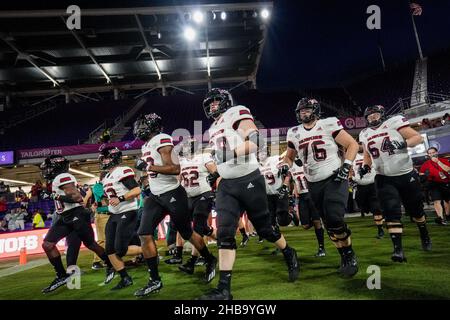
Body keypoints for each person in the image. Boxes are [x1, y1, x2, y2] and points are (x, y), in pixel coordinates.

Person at [199, 88, 299, 300]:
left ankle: (288, 251)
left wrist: (229, 154)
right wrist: (215, 170)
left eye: (216, 101)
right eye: (210, 103)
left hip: (249, 179)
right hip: (227, 184)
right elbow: (215, 154)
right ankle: (224, 289)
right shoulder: (213, 127)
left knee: (265, 230)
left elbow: (256, 142)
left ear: (226, 101)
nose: (213, 106)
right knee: (225, 232)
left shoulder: (237, 112)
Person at [133, 113, 217, 297]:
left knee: (186, 232)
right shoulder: (147, 144)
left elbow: (174, 169)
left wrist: (147, 168)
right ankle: (154, 280)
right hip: (156, 196)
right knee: (144, 233)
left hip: (172, 194)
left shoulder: (162, 139)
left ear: (152, 125)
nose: (139, 129)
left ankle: (210, 259)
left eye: (143, 125)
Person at [283, 97, 359, 277]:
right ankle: (343, 255)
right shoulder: (293, 132)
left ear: (316, 110)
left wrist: (346, 166)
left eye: (307, 109)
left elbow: (352, 144)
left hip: (334, 177)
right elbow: (289, 156)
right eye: (301, 110)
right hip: (313, 182)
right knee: (328, 223)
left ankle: (350, 254)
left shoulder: (328, 124)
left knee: (334, 218)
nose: (304, 112)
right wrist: (285, 165)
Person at [359, 105, 432, 263]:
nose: (373, 118)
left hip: (405, 174)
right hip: (383, 177)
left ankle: (424, 233)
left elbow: (417, 138)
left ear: (382, 114)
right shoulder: (364, 133)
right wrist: (365, 166)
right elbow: (367, 154)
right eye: (370, 116)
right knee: (391, 211)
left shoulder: (395, 122)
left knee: (416, 210)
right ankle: (398, 250)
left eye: (375, 114)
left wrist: (404, 144)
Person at [39, 155, 113, 294]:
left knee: (91, 245)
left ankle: (110, 264)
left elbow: (77, 198)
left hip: (76, 215)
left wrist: (56, 196)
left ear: (56, 167)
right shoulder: (59, 178)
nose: (46, 171)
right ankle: (61, 275)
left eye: (48, 168)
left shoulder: (62, 177)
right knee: (47, 244)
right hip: (65, 216)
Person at [99, 146, 143, 290]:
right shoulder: (106, 177)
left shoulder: (122, 171)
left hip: (127, 211)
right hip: (114, 214)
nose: (103, 160)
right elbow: (111, 197)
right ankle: (125, 278)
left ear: (113, 158)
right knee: (109, 249)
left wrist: (121, 197)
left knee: (120, 249)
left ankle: (148, 250)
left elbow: (137, 190)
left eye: (105, 157)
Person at [177, 137, 218, 275]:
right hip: (189, 198)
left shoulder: (203, 157)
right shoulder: (181, 162)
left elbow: (216, 173)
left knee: (198, 229)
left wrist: (216, 182)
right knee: (194, 228)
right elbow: (178, 181)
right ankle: (223, 240)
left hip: (203, 195)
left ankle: (193, 261)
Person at [289, 157, 326, 257]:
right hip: (302, 197)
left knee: (316, 222)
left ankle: (321, 248)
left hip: (312, 194)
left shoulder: (309, 162)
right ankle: (318, 223)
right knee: (305, 225)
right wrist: (294, 191)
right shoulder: (291, 166)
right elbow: (293, 181)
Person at [350, 142, 385, 238]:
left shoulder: (372, 153)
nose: (359, 146)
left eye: (360, 144)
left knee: (376, 208)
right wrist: (350, 179)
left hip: (373, 184)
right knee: (363, 206)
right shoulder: (353, 156)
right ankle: (380, 216)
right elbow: (349, 169)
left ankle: (380, 229)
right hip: (360, 185)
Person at [83, 171, 111, 270]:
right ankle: (96, 261)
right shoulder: (98, 186)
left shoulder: (106, 185)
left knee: (108, 239)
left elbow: (107, 201)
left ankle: (108, 259)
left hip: (110, 214)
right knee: (102, 239)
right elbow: (107, 199)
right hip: (102, 215)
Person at [419, 147, 450, 224]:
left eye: (433, 152)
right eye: (430, 153)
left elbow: (448, 169)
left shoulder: (444, 160)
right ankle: (440, 218)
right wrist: (425, 176)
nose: (432, 154)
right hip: (433, 184)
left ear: (437, 152)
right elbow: (421, 173)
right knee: (437, 201)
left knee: (447, 201)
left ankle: (447, 215)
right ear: (428, 154)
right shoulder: (426, 164)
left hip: (445, 183)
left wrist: (438, 162)